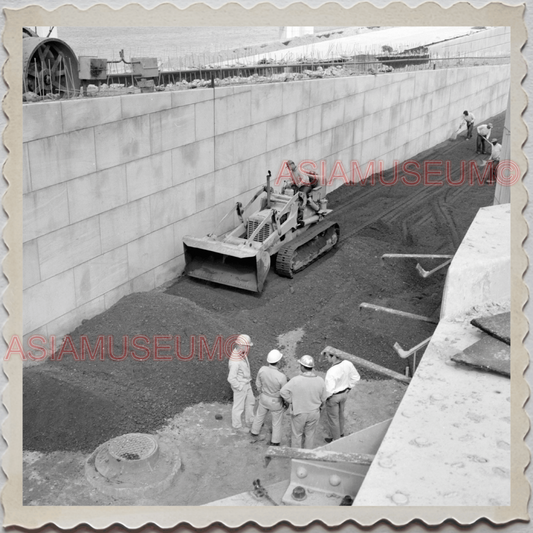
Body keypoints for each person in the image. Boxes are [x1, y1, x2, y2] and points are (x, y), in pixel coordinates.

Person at [280, 355, 327, 449]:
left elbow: (283, 392)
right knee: (310, 435)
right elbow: (324, 399)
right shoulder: (320, 380)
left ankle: (296, 456)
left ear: (302, 366)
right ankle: (307, 456)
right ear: (312, 367)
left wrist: (292, 401)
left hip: (299, 412)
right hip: (314, 412)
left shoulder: (296, 380)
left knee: (297, 434)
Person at [250, 349, 288, 446]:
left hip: (264, 397)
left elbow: (258, 383)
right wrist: (286, 403)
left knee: (259, 415)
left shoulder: (262, 369)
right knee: (276, 422)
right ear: (278, 361)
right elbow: (284, 392)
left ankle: (254, 431)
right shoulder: (281, 376)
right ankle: (275, 441)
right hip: (276, 401)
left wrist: (261, 392)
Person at [324, 352, 361, 443]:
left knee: (333, 419)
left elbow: (329, 390)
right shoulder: (348, 363)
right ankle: (341, 433)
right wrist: (349, 387)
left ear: (334, 357)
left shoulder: (331, 372)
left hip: (333, 397)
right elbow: (356, 377)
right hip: (344, 394)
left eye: (328, 356)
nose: (326, 358)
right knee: (341, 414)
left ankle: (336, 440)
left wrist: (323, 399)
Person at [227, 334, 256, 433]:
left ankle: (250, 421)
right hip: (241, 385)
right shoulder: (235, 360)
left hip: (247, 383)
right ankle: (237, 426)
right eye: (247, 346)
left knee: (251, 402)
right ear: (241, 345)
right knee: (238, 407)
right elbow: (231, 378)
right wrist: (239, 386)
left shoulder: (242, 353)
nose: (249, 348)